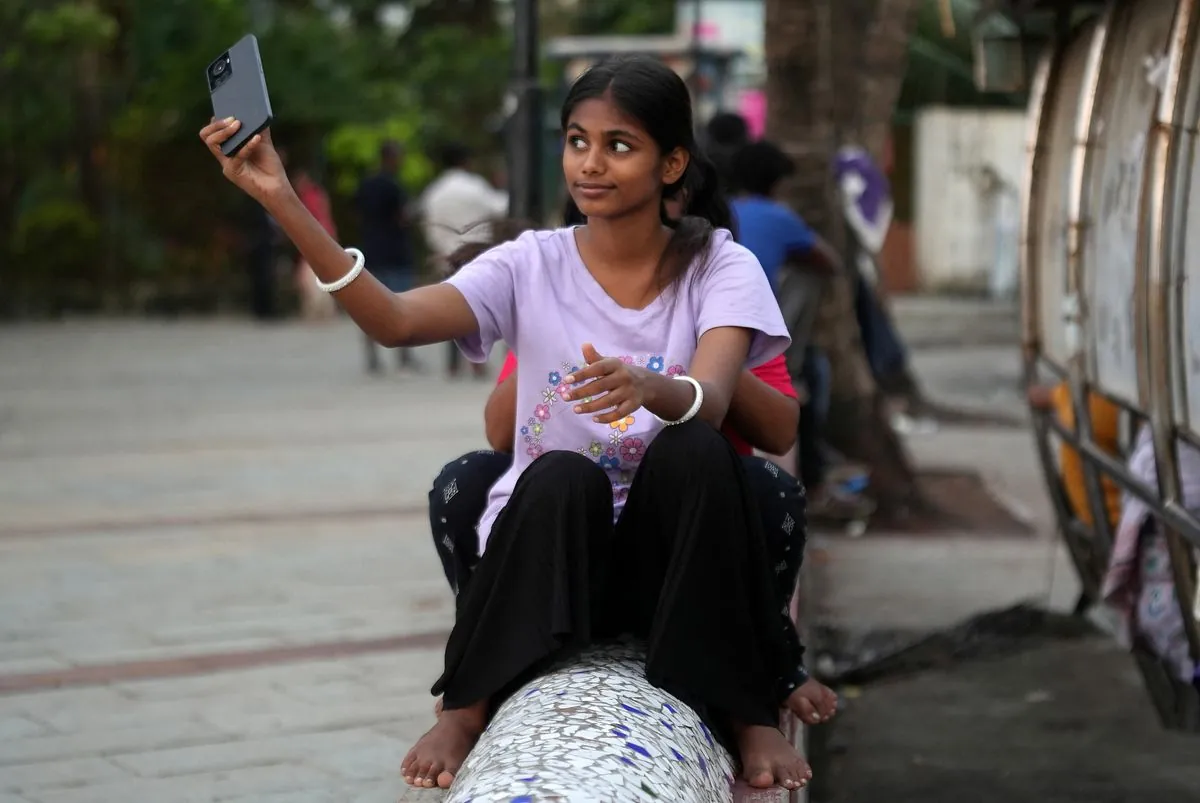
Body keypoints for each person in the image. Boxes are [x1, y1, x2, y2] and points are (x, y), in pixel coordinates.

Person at [199, 55, 818, 792]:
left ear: (672, 161)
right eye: (576, 140)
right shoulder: (530, 263)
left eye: (619, 145)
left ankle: (749, 714)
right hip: (561, 557)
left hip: (670, 562)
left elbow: (715, 399)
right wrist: (281, 201)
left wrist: (653, 384)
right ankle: (463, 706)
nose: (590, 163)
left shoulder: (719, 263)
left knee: (694, 449)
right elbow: (395, 320)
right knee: (559, 473)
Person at [730, 140, 875, 522]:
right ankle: (816, 480)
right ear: (777, 184)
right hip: (761, 338)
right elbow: (829, 261)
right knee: (810, 377)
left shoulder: (723, 213)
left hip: (719, 332)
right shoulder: (778, 216)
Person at [419, 141, 510, 378]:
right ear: (466, 161)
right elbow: (501, 208)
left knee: (450, 308)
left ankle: (452, 364)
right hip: (476, 254)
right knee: (480, 309)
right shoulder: (475, 187)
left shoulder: (434, 191)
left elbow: (428, 226)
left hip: (447, 255)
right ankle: (477, 362)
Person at [354, 140, 420, 373]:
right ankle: (405, 355)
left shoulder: (366, 184)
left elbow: (358, 213)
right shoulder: (394, 186)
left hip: (371, 249)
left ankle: (372, 357)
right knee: (402, 302)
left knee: (369, 305)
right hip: (395, 251)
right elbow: (402, 217)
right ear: (390, 158)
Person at [293, 166, 338, 321]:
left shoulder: (310, 197)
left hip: (316, 239)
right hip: (319, 238)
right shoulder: (315, 195)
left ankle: (317, 311)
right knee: (320, 276)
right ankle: (322, 311)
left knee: (310, 278)